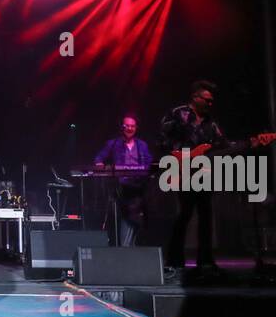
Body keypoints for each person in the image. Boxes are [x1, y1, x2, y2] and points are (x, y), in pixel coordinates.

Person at [161, 80, 224, 276]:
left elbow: (223, 143)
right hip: (182, 170)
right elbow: (164, 133)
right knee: (184, 215)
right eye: (207, 100)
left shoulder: (210, 122)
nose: (210, 104)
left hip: (204, 174)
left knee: (206, 215)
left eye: (212, 101)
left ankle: (205, 260)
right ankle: (174, 259)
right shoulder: (178, 113)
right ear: (195, 98)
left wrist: (251, 143)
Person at [93, 115, 153, 246]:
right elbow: (99, 158)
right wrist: (100, 165)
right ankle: (123, 248)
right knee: (122, 217)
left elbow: (149, 163)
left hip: (138, 186)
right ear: (122, 127)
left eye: (133, 126)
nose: (130, 128)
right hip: (120, 187)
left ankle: (132, 247)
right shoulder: (113, 143)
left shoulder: (142, 145)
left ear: (136, 128)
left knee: (137, 218)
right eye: (127, 126)